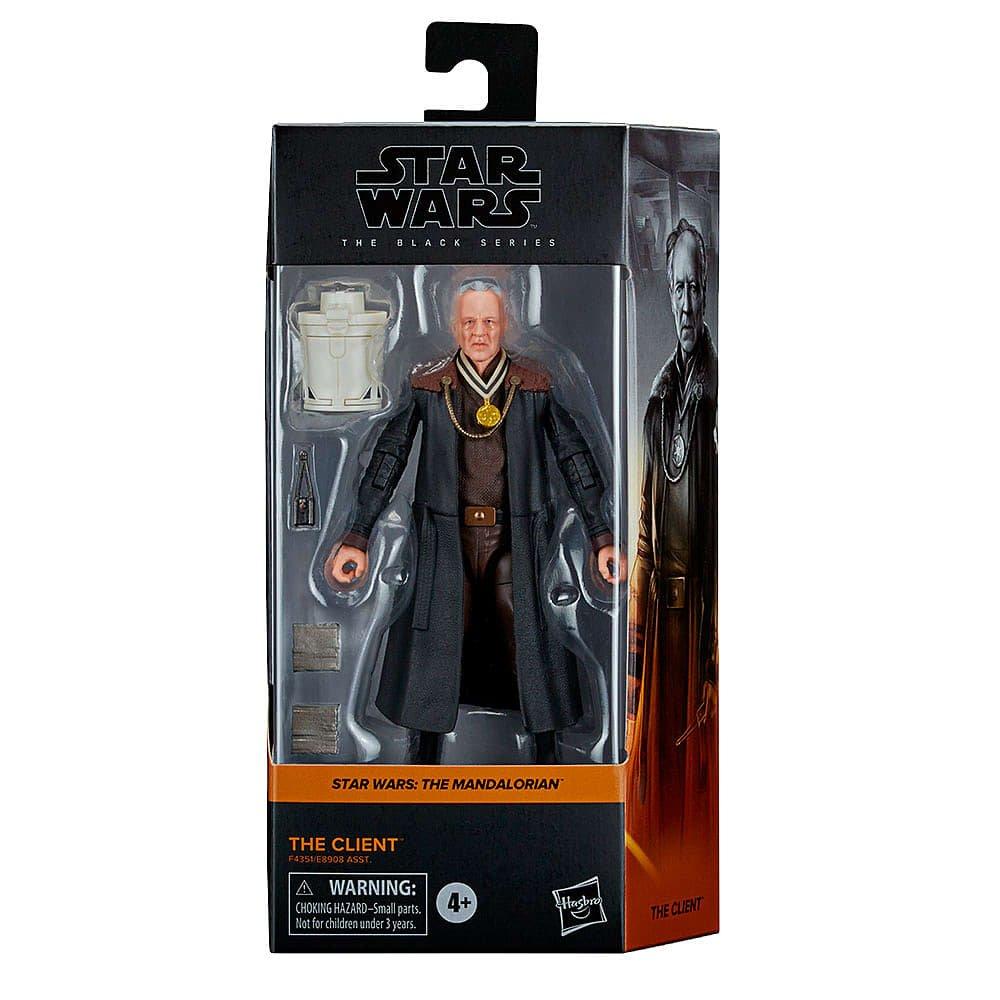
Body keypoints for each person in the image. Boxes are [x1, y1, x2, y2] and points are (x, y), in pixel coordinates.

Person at [326, 278, 626, 764]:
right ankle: (422, 762)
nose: (479, 332)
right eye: (469, 322)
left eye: (488, 321)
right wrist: (358, 535)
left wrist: (601, 535)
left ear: (505, 324)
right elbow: (387, 458)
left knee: (530, 640)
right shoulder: (429, 385)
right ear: (454, 326)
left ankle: (549, 761)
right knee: (435, 645)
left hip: (516, 535)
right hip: (448, 538)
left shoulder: (532, 385)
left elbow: (575, 458)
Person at [627, 219, 718, 858]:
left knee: (698, 783)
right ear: (668, 291)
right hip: (662, 622)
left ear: (706, 290)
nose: (686, 303)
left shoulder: (720, 395)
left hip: (702, 623)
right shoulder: (659, 401)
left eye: (695, 287)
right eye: (677, 288)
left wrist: (713, 658)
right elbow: (645, 523)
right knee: (654, 783)